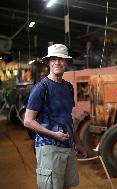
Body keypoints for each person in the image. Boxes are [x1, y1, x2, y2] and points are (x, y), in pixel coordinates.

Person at [24, 44, 87, 189]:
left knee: (66, 186)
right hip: (48, 147)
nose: (57, 62)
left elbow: (67, 118)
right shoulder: (41, 88)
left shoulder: (68, 87)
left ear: (67, 63)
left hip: (67, 146)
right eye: (53, 59)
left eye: (61, 59)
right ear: (49, 62)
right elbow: (28, 121)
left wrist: (77, 142)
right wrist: (53, 134)